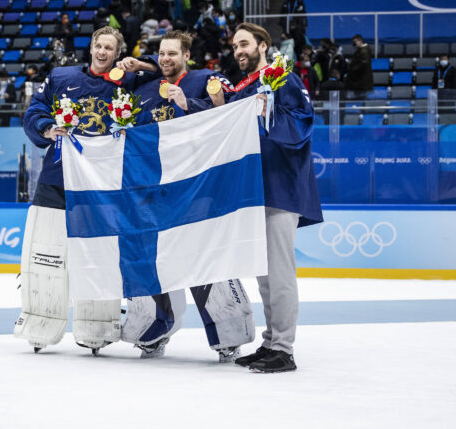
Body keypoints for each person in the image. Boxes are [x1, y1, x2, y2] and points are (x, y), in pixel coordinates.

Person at [16, 26, 156, 355]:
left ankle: (98, 325)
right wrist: (48, 128)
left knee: (100, 256)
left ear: (118, 52)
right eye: (99, 45)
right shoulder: (62, 77)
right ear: (91, 47)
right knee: (46, 254)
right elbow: (34, 112)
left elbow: (164, 72)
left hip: (103, 185)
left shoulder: (129, 80)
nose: (103, 52)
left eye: (110, 47)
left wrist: (141, 65)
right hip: (57, 179)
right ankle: (40, 320)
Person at [119, 30, 255, 361]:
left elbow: (230, 112)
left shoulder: (206, 79)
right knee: (149, 260)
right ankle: (153, 327)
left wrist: (188, 104)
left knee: (203, 258)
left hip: (195, 191)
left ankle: (229, 332)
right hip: (152, 192)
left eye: (172, 54)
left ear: (186, 55)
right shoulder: (143, 91)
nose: (166, 59)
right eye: (161, 54)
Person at [212, 22, 322, 373]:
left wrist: (267, 112)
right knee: (264, 275)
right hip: (253, 191)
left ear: (263, 45)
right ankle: (271, 341)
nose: (238, 51)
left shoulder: (282, 78)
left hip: (280, 188)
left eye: (244, 44)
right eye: (234, 46)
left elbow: (303, 124)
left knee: (280, 271)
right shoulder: (245, 88)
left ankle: (284, 349)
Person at [346, 34, 373, 100]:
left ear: (360, 41)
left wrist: (353, 68)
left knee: (360, 99)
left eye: (355, 42)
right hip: (361, 81)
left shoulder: (363, 51)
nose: (354, 44)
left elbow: (363, 63)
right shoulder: (361, 50)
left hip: (361, 82)